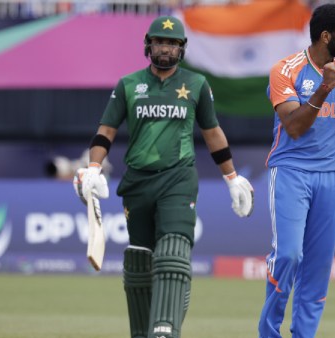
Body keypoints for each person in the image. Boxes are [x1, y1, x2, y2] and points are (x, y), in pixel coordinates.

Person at [73, 15, 254, 338]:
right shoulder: (129, 85)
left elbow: (212, 133)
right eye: (160, 42)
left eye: (173, 43)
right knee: (140, 260)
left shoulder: (196, 84)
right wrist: (94, 168)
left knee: (172, 249)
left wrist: (232, 178)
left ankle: (165, 329)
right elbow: (106, 131)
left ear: (182, 49)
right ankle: (143, 333)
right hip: (138, 182)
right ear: (148, 45)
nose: (166, 48)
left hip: (178, 178)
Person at [258, 3, 335, 338]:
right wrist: (324, 88)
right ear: (326, 36)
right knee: (288, 255)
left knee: (317, 269)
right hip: (291, 171)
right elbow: (295, 128)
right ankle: (269, 332)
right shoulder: (286, 70)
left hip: (332, 175)